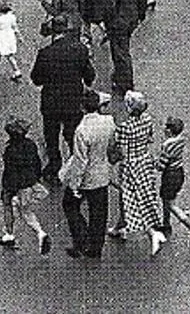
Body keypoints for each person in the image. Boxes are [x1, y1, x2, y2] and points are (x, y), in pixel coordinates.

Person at [30, 16, 96, 176]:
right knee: (72, 133)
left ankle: (54, 164)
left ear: (53, 32)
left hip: (51, 102)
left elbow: (36, 79)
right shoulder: (80, 50)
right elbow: (90, 76)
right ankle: (76, 163)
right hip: (73, 100)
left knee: (51, 136)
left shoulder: (45, 53)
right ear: (67, 29)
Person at [111, 90, 168, 254]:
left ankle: (152, 234)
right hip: (145, 162)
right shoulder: (147, 119)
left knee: (131, 200)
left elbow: (121, 150)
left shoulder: (124, 127)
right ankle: (120, 226)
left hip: (130, 166)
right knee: (142, 197)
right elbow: (150, 139)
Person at [61, 90, 116, 258]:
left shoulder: (82, 130)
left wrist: (74, 185)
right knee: (99, 213)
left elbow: (80, 161)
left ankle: (81, 238)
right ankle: (96, 247)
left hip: (87, 178)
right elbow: (112, 146)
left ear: (82, 108)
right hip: (102, 174)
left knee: (70, 205)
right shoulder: (109, 122)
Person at [0, 118, 51, 254]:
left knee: (10, 208)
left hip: (15, 185)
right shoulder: (30, 145)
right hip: (29, 183)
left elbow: (10, 171)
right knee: (25, 210)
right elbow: (37, 163)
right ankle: (39, 233)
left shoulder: (10, 150)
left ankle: (10, 234)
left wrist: (10, 189)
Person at [107, 0, 149, 94]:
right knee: (123, 47)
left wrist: (107, 23)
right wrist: (141, 15)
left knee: (120, 52)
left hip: (118, 22)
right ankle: (119, 75)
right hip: (132, 19)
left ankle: (125, 83)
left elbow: (110, 6)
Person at [158, 114, 190, 246]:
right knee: (166, 199)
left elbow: (161, 166)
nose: (164, 129)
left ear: (170, 131)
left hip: (169, 176)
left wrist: (152, 162)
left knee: (171, 205)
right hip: (179, 173)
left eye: (166, 127)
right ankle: (166, 224)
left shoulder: (167, 145)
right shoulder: (181, 140)